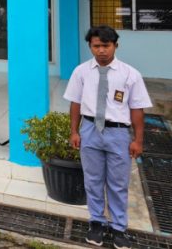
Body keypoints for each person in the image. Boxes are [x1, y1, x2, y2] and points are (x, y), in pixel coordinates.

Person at [64, 25, 152, 249]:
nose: (101, 50)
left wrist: (138, 140)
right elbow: (75, 103)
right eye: (96, 46)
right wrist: (74, 131)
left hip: (118, 133)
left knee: (118, 183)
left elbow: (137, 109)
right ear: (90, 47)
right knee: (92, 181)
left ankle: (119, 228)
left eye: (106, 45)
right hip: (90, 130)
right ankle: (96, 223)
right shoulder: (81, 72)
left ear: (115, 45)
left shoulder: (130, 74)